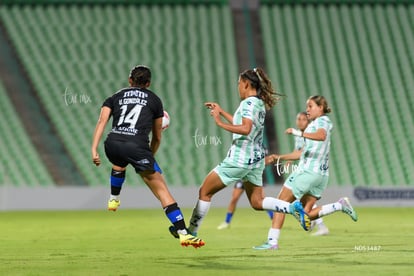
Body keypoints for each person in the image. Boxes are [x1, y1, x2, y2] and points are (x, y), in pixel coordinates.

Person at [169, 68, 311, 240]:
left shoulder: (248, 104)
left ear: (246, 84)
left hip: (240, 158)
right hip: (255, 159)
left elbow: (245, 128)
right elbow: (243, 123)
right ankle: (291, 208)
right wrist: (221, 111)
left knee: (205, 191)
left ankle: (191, 232)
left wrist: (218, 122)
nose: (238, 87)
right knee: (257, 202)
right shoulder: (258, 104)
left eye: (238, 83)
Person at [91, 65, 205, 248]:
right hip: (137, 147)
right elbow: (157, 136)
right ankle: (184, 233)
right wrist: (149, 156)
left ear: (130, 80)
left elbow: (102, 121)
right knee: (162, 191)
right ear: (148, 83)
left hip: (111, 144)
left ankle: (113, 198)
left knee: (119, 162)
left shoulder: (115, 96)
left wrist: (94, 149)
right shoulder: (154, 100)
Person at [253, 96, 357, 250]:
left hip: (308, 171)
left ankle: (272, 241)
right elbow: (301, 154)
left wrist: (298, 133)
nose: (307, 109)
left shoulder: (321, 121)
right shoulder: (312, 126)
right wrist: (278, 157)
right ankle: (339, 205)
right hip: (321, 175)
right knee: (306, 215)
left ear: (320, 107)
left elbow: (321, 136)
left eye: (310, 106)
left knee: (281, 201)